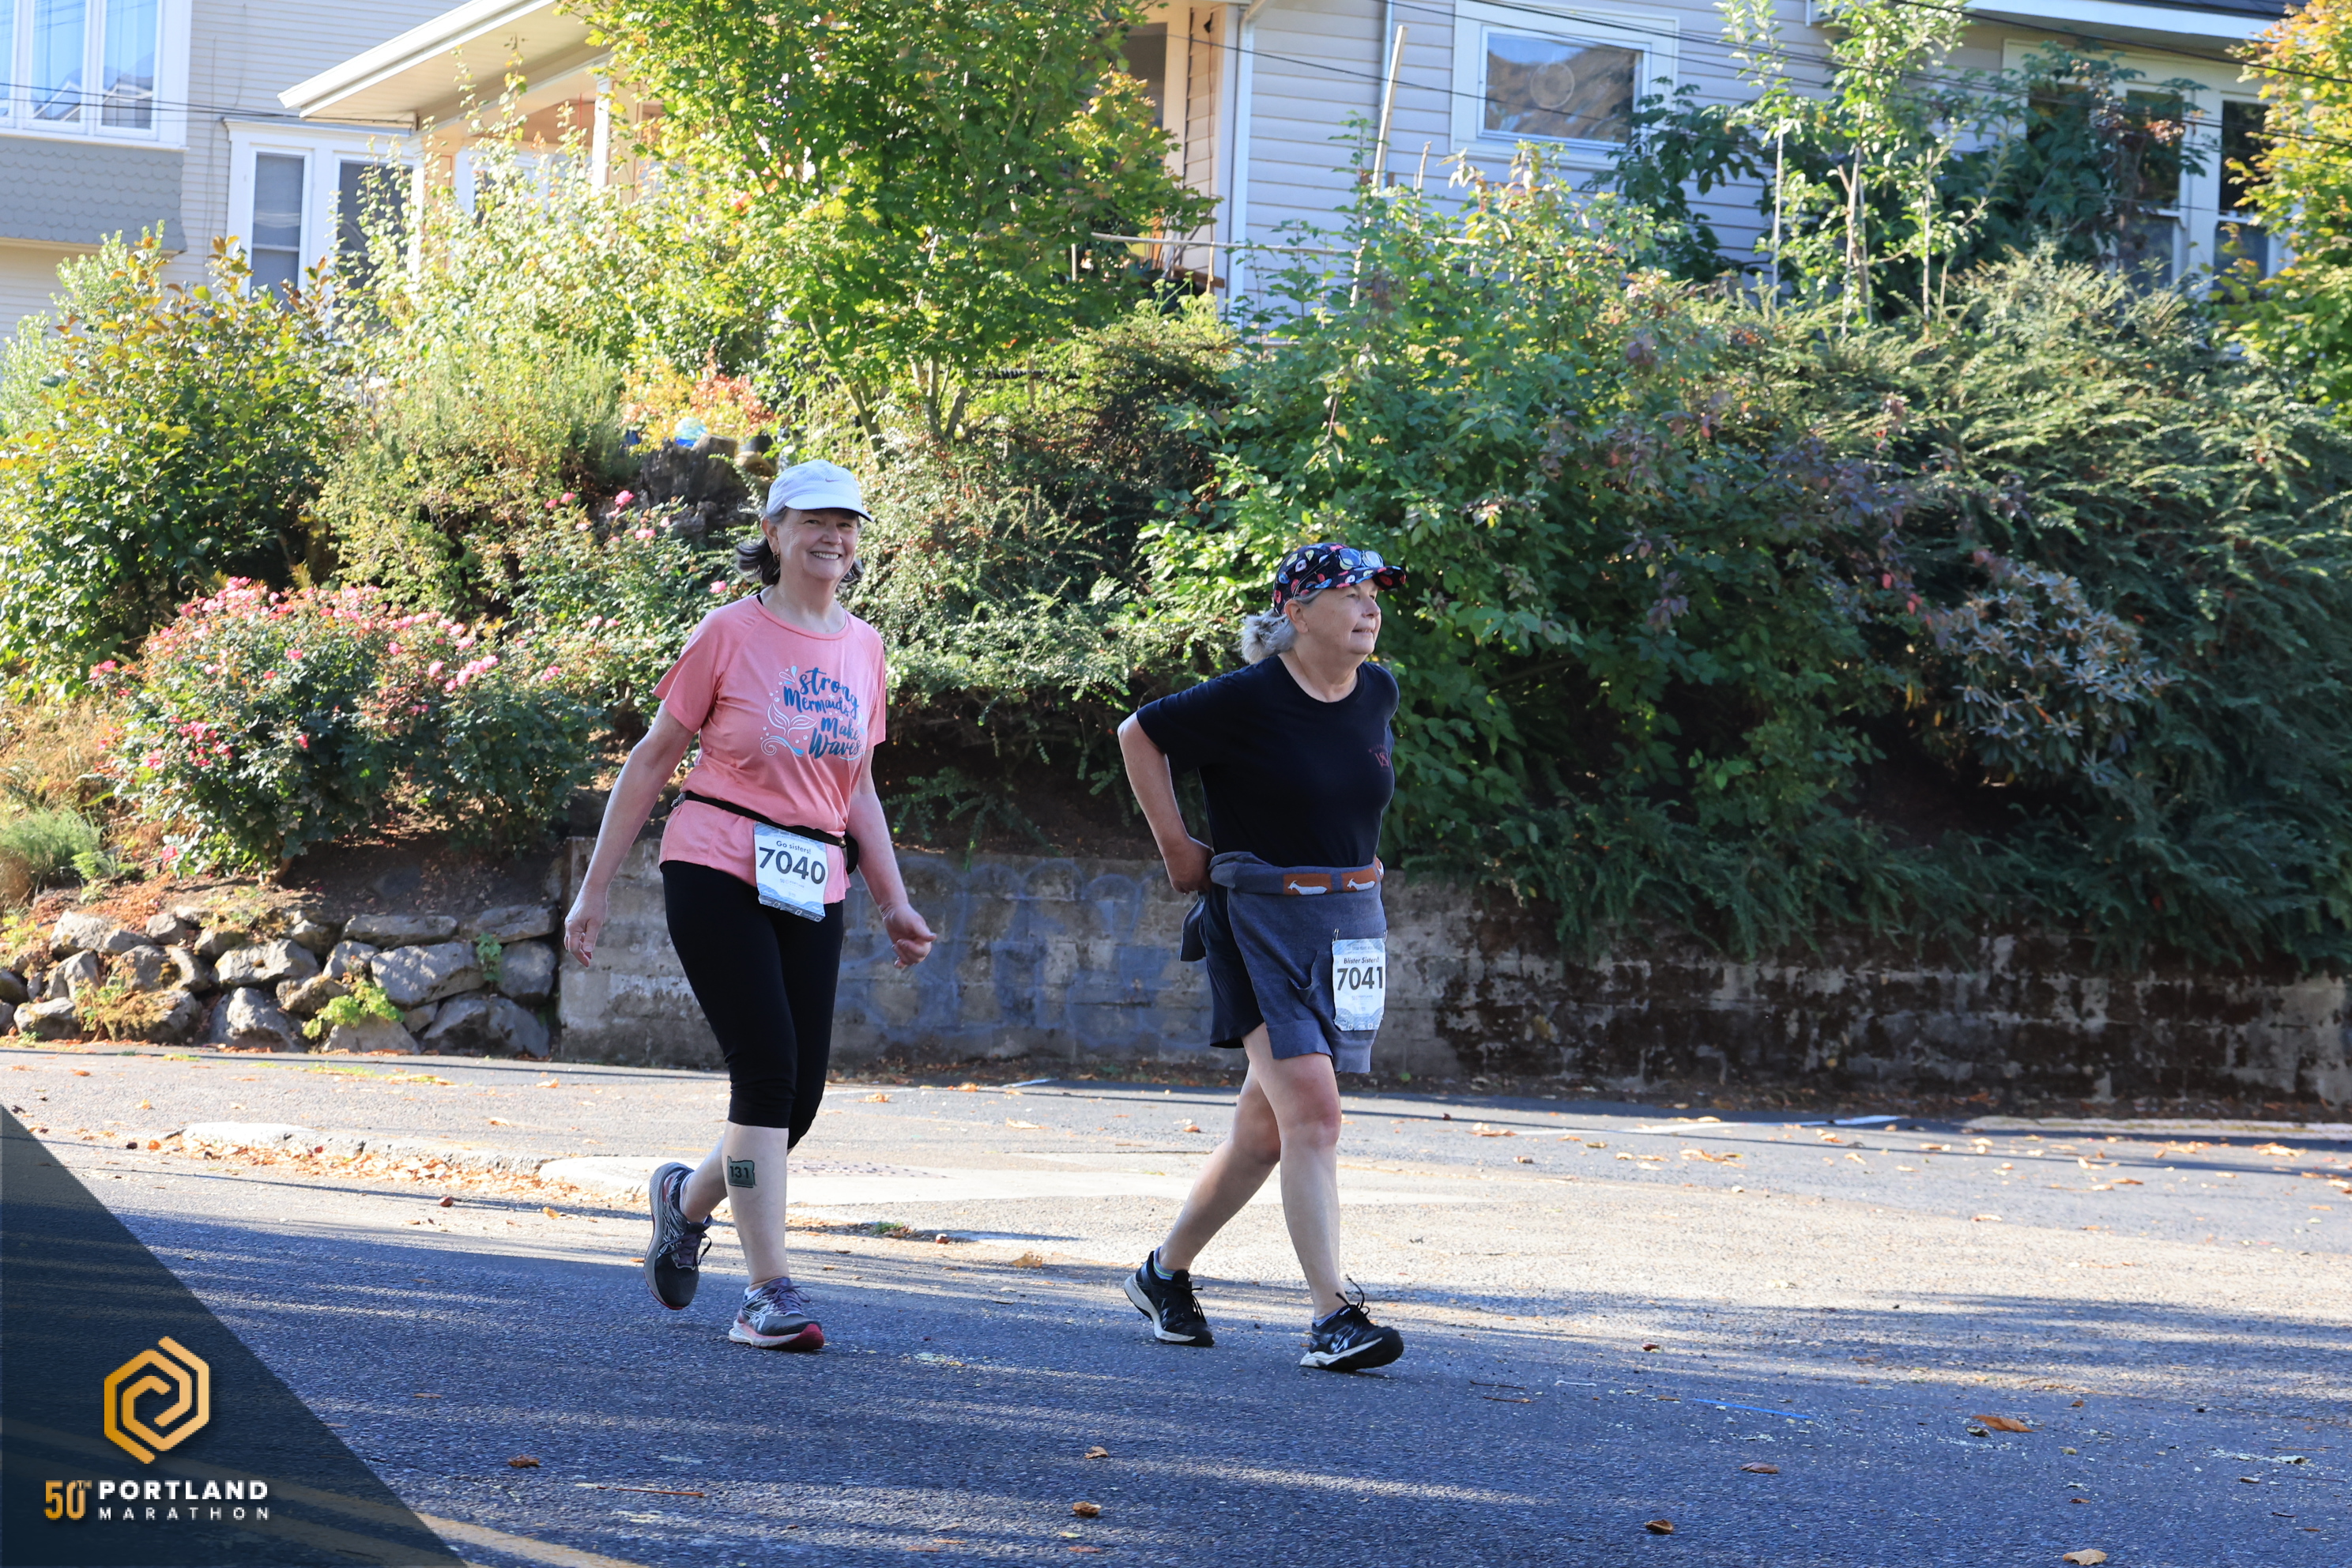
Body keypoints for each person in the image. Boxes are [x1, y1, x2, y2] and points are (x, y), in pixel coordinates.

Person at [562, 459, 936, 1353]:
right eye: (814, 521)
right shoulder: (729, 631)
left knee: (796, 1099)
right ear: (773, 532)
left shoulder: (865, 647)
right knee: (764, 1070)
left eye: (846, 524)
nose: (832, 538)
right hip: (717, 859)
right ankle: (767, 1291)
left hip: (813, 875)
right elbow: (654, 758)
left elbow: (857, 785)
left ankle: (685, 1200)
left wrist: (893, 900)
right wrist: (596, 886)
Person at [1114, 541, 1409, 1371]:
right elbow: (1139, 735)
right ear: (1297, 613)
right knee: (1314, 1112)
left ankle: (1162, 1273)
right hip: (1257, 922)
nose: (1369, 608)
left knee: (1265, 1131)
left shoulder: (1377, 691)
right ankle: (1331, 1316)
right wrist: (1178, 847)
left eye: (1374, 595)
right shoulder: (1247, 697)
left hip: (1349, 922)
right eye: (1350, 594)